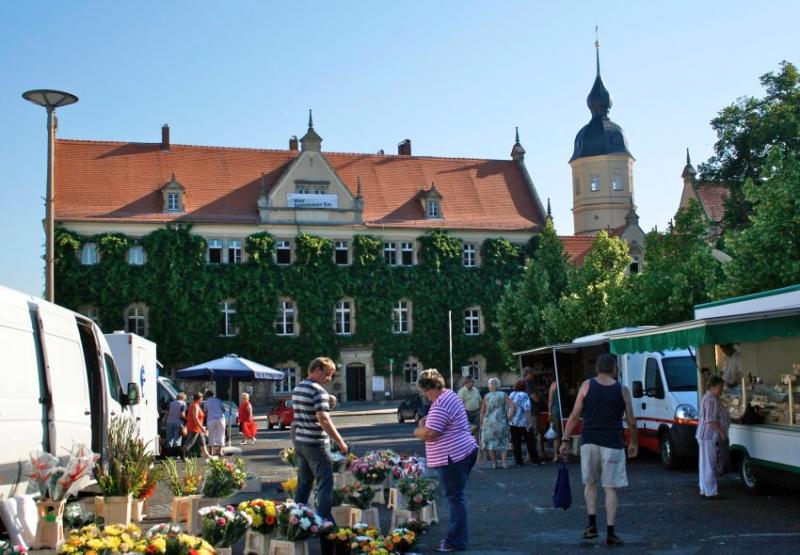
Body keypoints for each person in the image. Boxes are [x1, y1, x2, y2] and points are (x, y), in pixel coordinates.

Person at [560, 353, 638, 547]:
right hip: (613, 442)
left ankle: (592, 525)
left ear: (597, 368)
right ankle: (611, 533)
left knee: (590, 484)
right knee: (610, 488)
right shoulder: (622, 390)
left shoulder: (586, 386)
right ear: (613, 368)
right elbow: (631, 420)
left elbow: (575, 415)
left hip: (590, 441)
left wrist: (565, 439)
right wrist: (633, 442)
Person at [414, 369, 478, 553]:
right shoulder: (449, 395)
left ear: (430, 388)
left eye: (424, 391)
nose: (424, 395)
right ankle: (456, 539)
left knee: (455, 499)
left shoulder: (440, 403)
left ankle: (456, 542)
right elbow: (439, 421)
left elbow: (431, 433)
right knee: (457, 498)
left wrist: (417, 430)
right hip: (464, 452)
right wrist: (429, 420)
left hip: (453, 457)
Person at [292, 357, 348, 523]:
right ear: (316, 369)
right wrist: (340, 442)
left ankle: (297, 518)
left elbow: (308, 409)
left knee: (304, 482)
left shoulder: (299, 387)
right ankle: (325, 520)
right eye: (327, 374)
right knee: (325, 483)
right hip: (316, 443)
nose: (329, 378)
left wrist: (327, 400)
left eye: (331, 375)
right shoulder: (319, 391)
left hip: (301, 441)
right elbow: (323, 418)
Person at [696, 375, 729, 500]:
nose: (721, 390)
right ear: (713, 387)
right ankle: (711, 490)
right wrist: (722, 433)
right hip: (709, 435)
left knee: (704, 463)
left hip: (705, 435)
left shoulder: (709, 398)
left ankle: (705, 488)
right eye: (720, 387)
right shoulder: (711, 400)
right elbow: (711, 420)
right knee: (710, 463)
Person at [480, 377, 515, 469]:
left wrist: (481, 421)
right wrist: (509, 415)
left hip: (489, 423)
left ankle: (494, 463)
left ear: (492, 385)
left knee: (491, 443)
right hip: (501, 421)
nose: (488, 386)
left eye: (489, 384)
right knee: (503, 442)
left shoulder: (486, 396)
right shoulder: (503, 394)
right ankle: (504, 463)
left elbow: (482, 411)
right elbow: (512, 405)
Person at [509, 379, 541, 465]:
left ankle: (518, 461)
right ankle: (535, 460)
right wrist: (530, 423)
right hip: (523, 422)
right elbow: (527, 409)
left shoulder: (512, 394)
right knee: (530, 441)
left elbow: (509, 407)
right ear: (524, 387)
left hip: (513, 422)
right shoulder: (525, 395)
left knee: (516, 442)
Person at [523, 366, 547, 458]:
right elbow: (535, 398)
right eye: (532, 373)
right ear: (528, 374)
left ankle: (530, 455)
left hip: (528, 412)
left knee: (531, 433)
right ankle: (539, 454)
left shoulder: (524, 384)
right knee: (537, 433)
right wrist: (540, 399)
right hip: (533, 411)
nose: (533, 375)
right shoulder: (528, 384)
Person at [182, 392, 211, 459]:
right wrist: (202, 427)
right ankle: (183, 455)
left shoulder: (195, 405)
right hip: (195, 427)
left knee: (202, 441)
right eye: (201, 398)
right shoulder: (195, 406)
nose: (202, 400)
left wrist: (201, 427)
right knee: (190, 443)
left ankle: (206, 454)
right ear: (199, 399)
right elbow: (195, 417)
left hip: (197, 427)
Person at [457, 376, 481, 444]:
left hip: (476, 412)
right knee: (467, 429)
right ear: (467, 383)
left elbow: (480, 401)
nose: (473, 383)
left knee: (478, 427)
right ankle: (467, 443)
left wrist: (481, 411)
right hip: (466, 413)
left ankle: (477, 443)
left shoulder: (475, 389)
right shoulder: (461, 391)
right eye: (472, 382)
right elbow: (459, 404)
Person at [204, 390, 226, 456]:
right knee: (221, 435)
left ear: (207, 396)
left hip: (211, 419)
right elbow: (224, 410)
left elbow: (205, 412)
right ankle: (220, 451)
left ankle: (211, 451)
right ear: (213, 395)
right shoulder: (218, 400)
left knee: (211, 435)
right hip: (220, 419)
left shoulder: (206, 402)